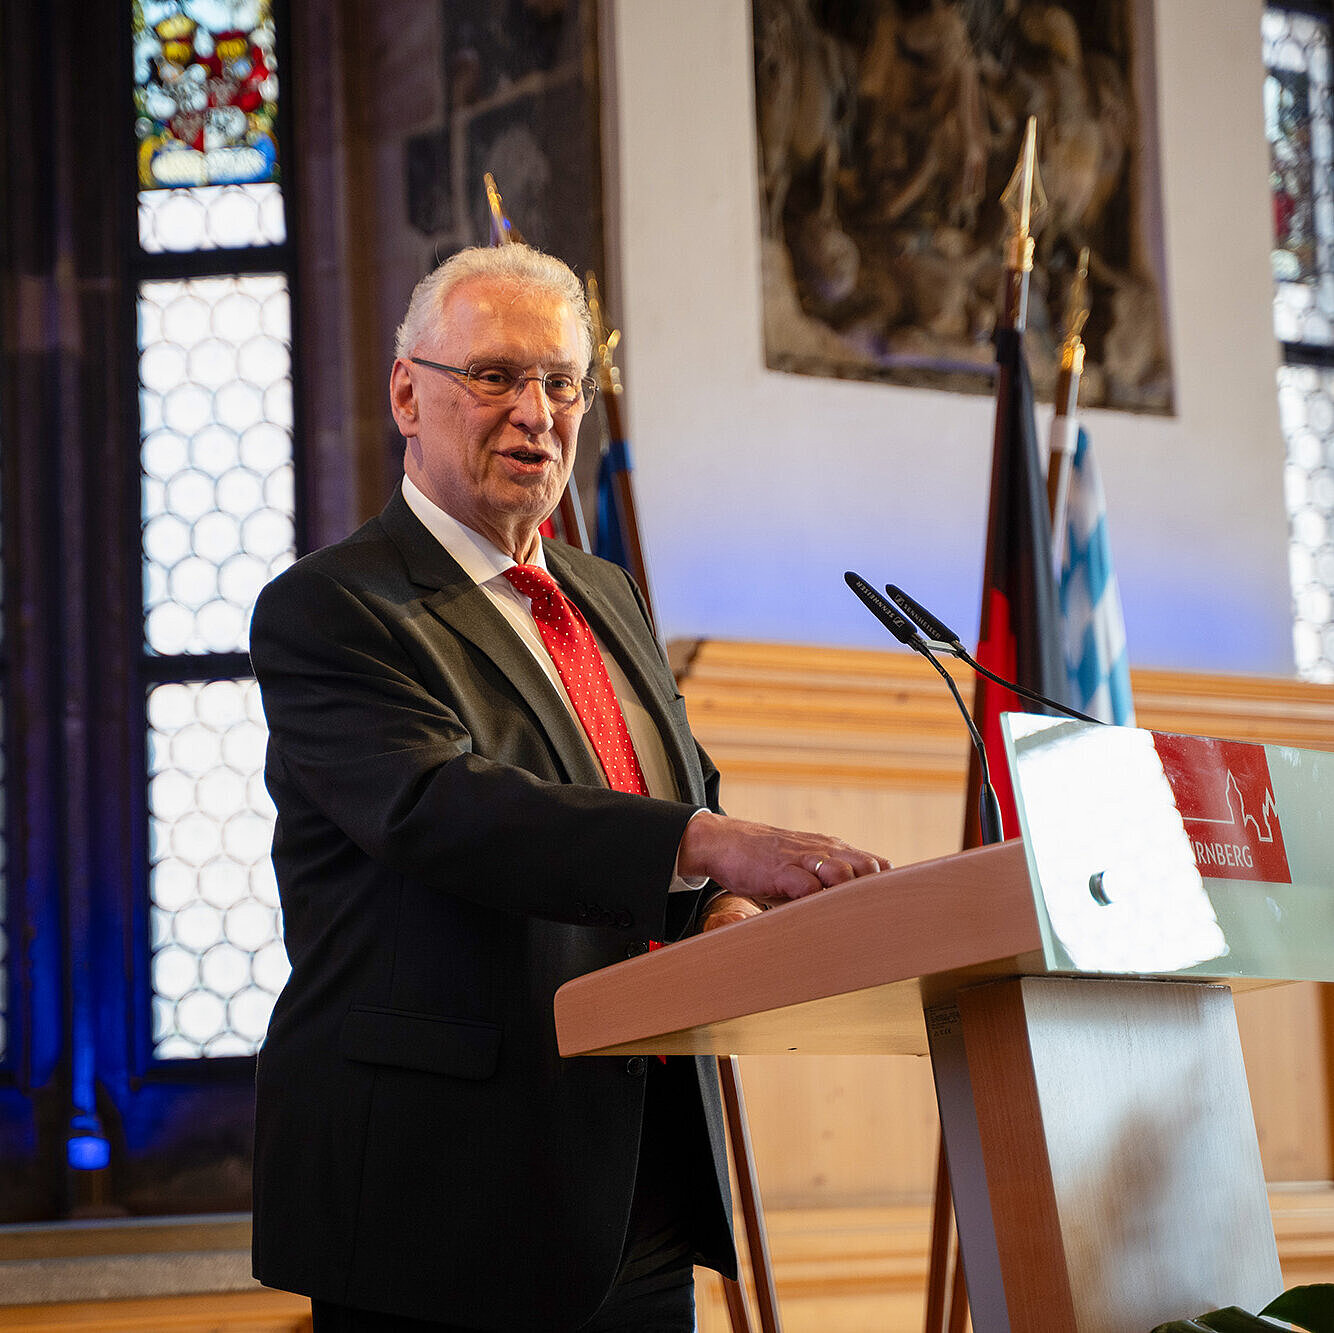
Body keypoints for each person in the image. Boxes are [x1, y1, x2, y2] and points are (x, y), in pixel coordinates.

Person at [249, 242, 888, 1332]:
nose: (533, 412)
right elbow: (437, 806)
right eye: (494, 376)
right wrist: (707, 843)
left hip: (634, 1178)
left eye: (559, 382)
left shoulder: (602, 592)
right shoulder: (331, 608)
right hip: (438, 1189)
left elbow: (675, 787)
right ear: (408, 392)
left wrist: (718, 909)